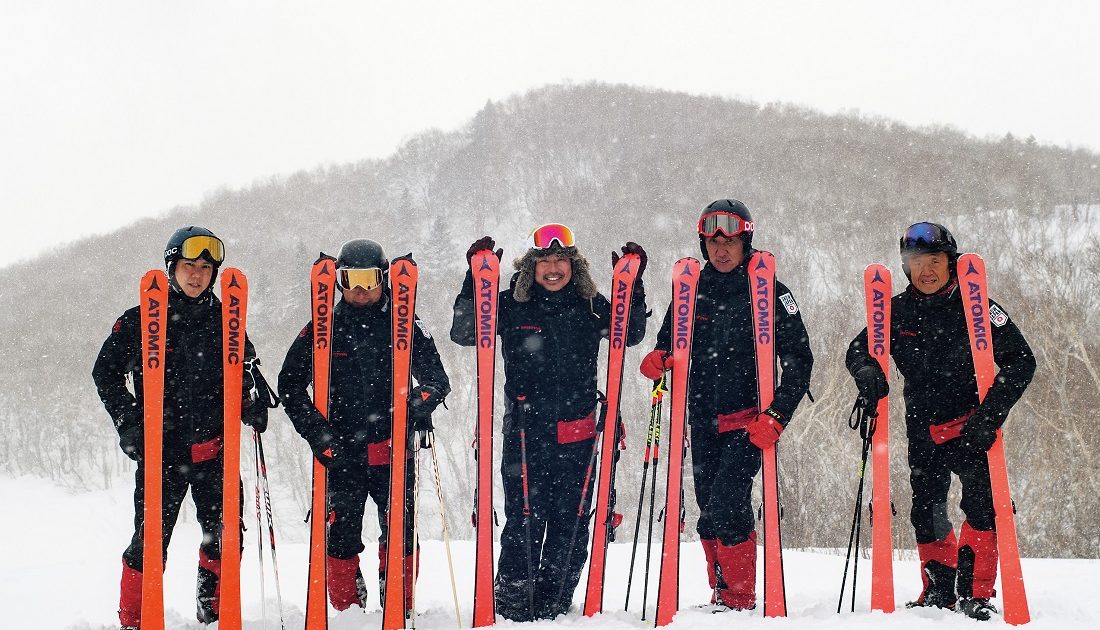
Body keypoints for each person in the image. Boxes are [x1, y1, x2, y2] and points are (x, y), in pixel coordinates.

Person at [450, 224, 648, 620]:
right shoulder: (511, 305)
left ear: (574, 265)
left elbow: (629, 333)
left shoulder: (590, 306)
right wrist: (474, 283)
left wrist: (634, 288)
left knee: (570, 525)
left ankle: (554, 604)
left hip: (579, 437)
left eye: (561, 260)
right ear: (530, 267)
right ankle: (511, 603)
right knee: (524, 520)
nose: (553, 269)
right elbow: (465, 331)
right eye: (544, 262)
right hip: (525, 434)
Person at [845, 222, 1035, 621]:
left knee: (982, 507)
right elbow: (858, 350)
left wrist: (990, 416)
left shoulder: (979, 305)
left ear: (951, 263)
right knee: (925, 511)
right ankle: (939, 590)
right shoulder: (894, 311)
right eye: (917, 263)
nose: (926, 271)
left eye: (935, 261)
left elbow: (1021, 361)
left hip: (973, 427)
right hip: (922, 427)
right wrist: (867, 373)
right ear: (906, 267)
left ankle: (975, 593)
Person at [93, 226, 273, 630]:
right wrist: (129, 421)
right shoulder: (141, 319)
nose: (197, 275)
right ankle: (135, 619)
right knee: (149, 544)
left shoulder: (228, 321)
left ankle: (213, 608)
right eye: (189, 266)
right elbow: (104, 374)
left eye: (206, 268)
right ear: (171, 267)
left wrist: (251, 404)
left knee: (225, 539)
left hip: (215, 454)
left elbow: (244, 373)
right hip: (163, 456)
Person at [639, 199, 813, 612]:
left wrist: (778, 414)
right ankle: (721, 590)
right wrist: (658, 358)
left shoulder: (771, 291)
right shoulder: (690, 292)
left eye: (730, 241)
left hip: (750, 422)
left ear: (745, 241)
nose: (721, 249)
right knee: (707, 508)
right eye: (713, 241)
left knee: (728, 500)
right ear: (702, 243)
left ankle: (739, 596)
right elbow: (669, 342)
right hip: (701, 419)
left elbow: (800, 361)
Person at [279, 239, 450, 613]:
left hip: (393, 451)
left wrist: (418, 405)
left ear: (383, 278)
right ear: (338, 281)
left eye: (368, 279)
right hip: (341, 456)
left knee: (401, 534)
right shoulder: (324, 325)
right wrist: (318, 436)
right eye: (349, 279)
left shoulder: (404, 323)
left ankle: (398, 606)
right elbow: (289, 385)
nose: (359, 289)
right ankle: (347, 612)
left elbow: (437, 379)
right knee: (340, 537)